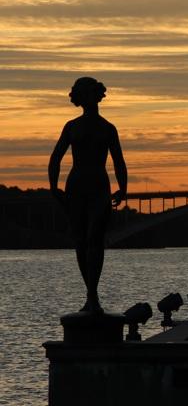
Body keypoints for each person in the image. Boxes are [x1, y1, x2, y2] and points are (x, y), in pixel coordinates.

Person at [48, 77, 127, 313]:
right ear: (80, 98)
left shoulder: (108, 128)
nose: (90, 98)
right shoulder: (72, 126)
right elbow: (56, 158)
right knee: (81, 241)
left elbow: (119, 162)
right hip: (77, 187)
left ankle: (93, 296)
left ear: (97, 95)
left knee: (95, 238)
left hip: (99, 187)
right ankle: (91, 294)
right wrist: (53, 186)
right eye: (85, 94)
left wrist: (123, 188)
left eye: (92, 93)